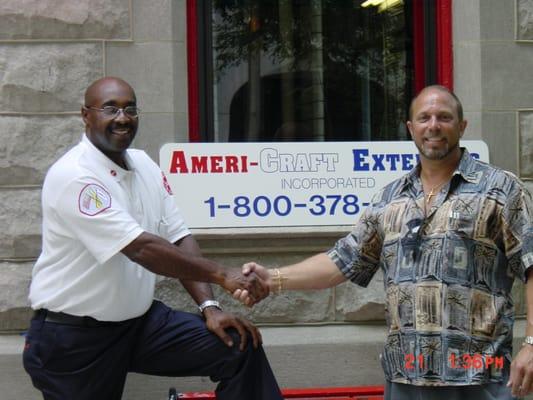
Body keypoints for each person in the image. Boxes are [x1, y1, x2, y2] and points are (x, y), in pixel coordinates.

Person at [234, 85, 533, 400]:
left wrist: (531, 344)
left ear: (462, 126)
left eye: (444, 117)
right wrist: (273, 278)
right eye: (424, 117)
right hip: (405, 376)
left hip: (479, 375)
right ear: (411, 128)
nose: (433, 125)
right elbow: (343, 260)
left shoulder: (500, 189)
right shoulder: (390, 199)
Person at [23, 76, 283, 400]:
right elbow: (142, 249)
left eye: (130, 108)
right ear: (86, 115)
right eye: (110, 109)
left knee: (238, 346)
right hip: (75, 337)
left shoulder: (145, 165)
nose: (122, 117)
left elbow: (178, 236)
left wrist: (210, 307)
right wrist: (222, 273)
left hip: (139, 324)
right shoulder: (75, 176)